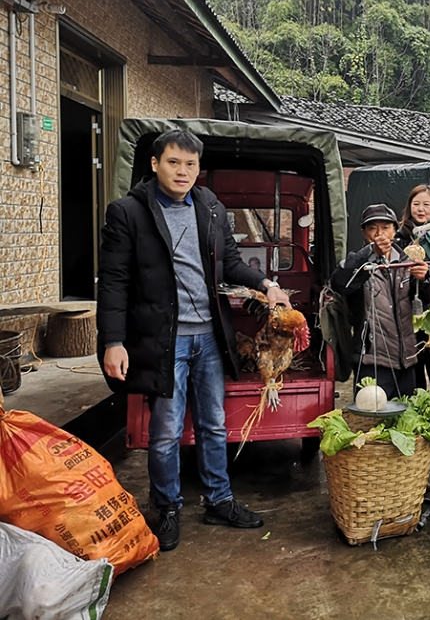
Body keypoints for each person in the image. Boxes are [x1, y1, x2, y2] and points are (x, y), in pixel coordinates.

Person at [97, 129, 289, 552]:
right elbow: (113, 282)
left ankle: (219, 501)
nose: (183, 172)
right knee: (165, 432)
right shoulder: (128, 212)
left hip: (209, 337)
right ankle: (167, 507)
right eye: (173, 162)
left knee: (214, 425)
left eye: (190, 164)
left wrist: (266, 283)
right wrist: (113, 341)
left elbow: (232, 263)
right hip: (165, 340)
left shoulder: (211, 206)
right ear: (154, 163)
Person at [330, 203, 430, 400]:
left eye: (386, 227)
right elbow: (339, 283)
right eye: (372, 228)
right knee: (371, 420)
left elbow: (424, 303)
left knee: (407, 420)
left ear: (395, 229)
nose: (380, 233)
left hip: (406, 359)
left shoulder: (406, 261)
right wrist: (371, 253)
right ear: (364, 232)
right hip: (371, 359)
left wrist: (424, 279)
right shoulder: (357, 262)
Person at [396, 184, 430, 399]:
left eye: (426, 205)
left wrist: (429, 272)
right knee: (413, 375)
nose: (421, 209)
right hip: (408, 313)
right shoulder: (400, 236)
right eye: (416, 204)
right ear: (409, 207)